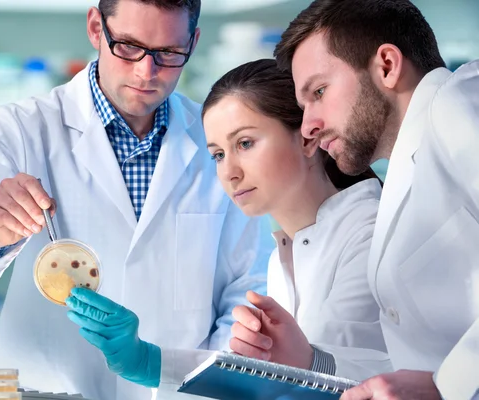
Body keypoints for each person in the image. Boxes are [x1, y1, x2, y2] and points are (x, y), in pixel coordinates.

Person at [0, 1, 270, 398]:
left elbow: (248, 289)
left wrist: (186, 376)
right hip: (48, 389)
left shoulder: (217, 143)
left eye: (169, 54)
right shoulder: (23, 127)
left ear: (192, 42)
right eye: (127, 45)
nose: (146, 71)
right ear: (95, 28)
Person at [65, 59, 392, 396]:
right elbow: (271, 381)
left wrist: (309, 363)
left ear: (308, 138)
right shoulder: (289, 250)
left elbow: (404, 377)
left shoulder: (369, 236)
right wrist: (152, 362)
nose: (229, 172)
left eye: (245, 143)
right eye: (218, 154)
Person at [233, 0, 478, 398]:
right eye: (302, 105)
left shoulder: (460, 99)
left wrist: (444, 387)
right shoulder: (406, 176)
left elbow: (440, 379)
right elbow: (408, 367)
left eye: (319, 91)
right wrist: (311, 361)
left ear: (386, 66)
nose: (309, 125)